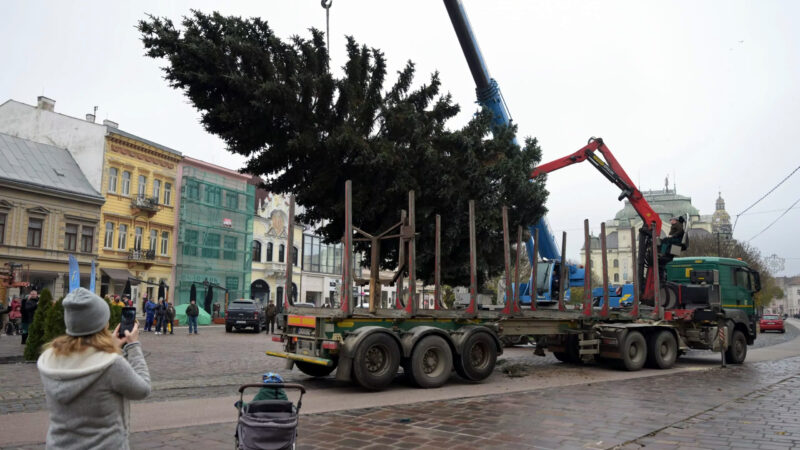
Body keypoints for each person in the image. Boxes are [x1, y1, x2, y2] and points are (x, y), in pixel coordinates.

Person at [37, 287, 150, 449]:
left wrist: (111, 347)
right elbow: (142, 389)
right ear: (102, 323)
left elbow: (85, 359)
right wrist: (133, 346)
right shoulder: (111, 364)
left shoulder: (49, 358)